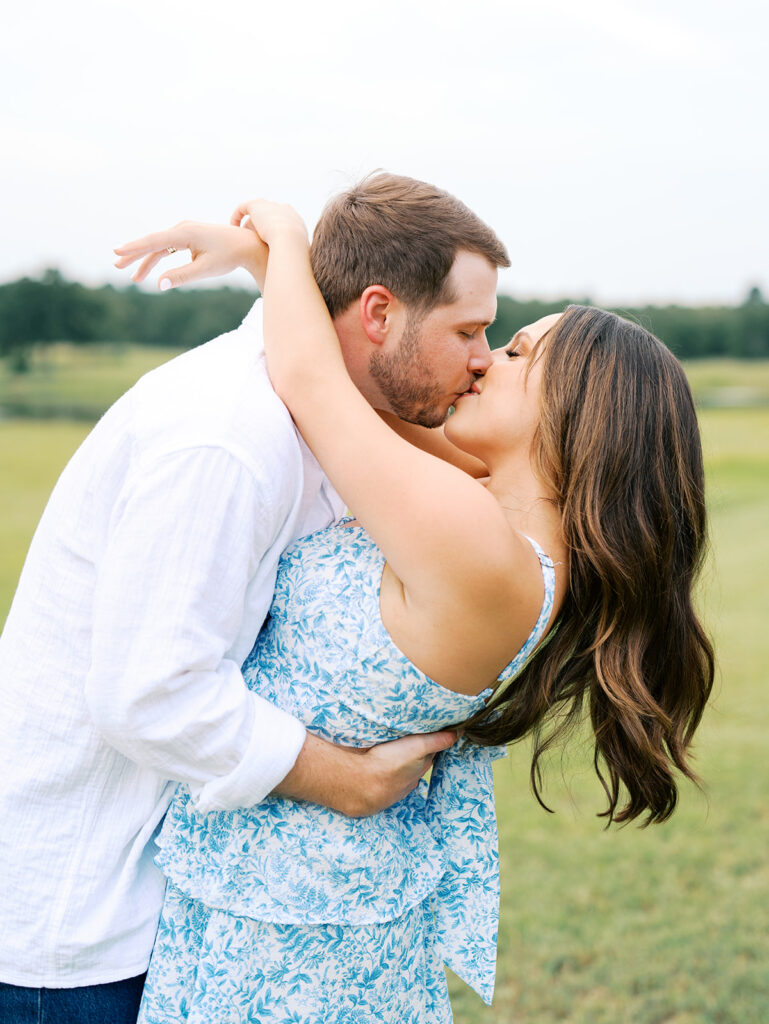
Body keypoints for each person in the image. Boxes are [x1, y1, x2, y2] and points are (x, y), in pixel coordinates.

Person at [123, 202, 714, 1024]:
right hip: (287, 902)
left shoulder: (476, 542)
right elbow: (366, 389)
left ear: (578, 411)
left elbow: (310, 382)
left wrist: (290, 233)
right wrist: (274, 272)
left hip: (295, 947)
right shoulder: (488, 518)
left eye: (515, 352)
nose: (483, 364)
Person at [0, 174, 511, 1023]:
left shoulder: (325, 412)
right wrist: (341, 779)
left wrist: (278, 248)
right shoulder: (226, 441)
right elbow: (147, 694)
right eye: (468, 329)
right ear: (378, 315)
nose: (483, 357)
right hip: (76, 929)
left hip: (160, 909)